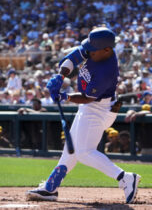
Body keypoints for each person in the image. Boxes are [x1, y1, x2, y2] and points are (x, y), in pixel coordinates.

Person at [26, 27, 140, 203]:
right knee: (70, 149)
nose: (89, 52)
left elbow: (87, 98)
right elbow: (73, 57)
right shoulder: (99, 49)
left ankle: (125, 177)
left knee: (84, 152)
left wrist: (64, 96)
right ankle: (51, 188)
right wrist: (60, 76)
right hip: (90, 108)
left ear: (107, 50)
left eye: (93, 50)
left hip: (98, 109)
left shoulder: (106, 71)